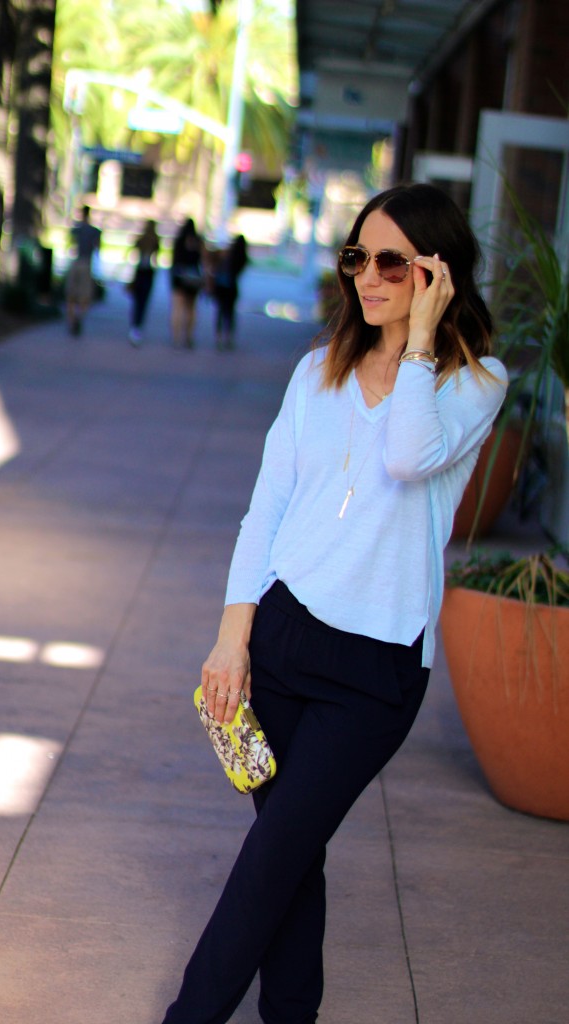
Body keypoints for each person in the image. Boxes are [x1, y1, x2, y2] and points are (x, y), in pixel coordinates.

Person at [160, 183, 508, 1024]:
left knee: (271, 855)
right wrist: (230, 638)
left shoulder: (476, 382)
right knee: (291, 857)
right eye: (358, 257)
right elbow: (266, 508)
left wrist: (419, 345)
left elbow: (405, 457)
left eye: (393, 260)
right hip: (279, 641)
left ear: (436, 272)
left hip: (377, 667)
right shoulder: (317, 369)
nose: (369, 275)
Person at [65, 205, 101, 337]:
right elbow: (98, 249)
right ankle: (78, 317)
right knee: (84, 295)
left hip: (77, 262)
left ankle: (72, 318)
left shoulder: (77, 230)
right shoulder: (93, 231)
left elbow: (69, 245)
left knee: (72, 294)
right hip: (85, 263)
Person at [170, 217, 204, 349]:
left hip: (180, 278)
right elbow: (202, 261)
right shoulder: (198, 241)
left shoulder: (179, 241)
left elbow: (174, 261)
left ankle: (176, 338)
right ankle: (188, 336)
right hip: (193, 278)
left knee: (177, 309)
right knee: (191, 310)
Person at [212, 233, 249, 350]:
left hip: (221, 287)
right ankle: (228, 338)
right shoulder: (242, 257)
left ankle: (218, 337)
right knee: (230, 314)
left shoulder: (227, 254)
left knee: (220, 312)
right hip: (232, 287)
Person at [128, 219, 160, 346]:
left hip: (140, 272)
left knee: (137, 301)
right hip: (147, 273)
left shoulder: (142, 239)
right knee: (143, 301)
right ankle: (138, 326)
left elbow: (132, 255)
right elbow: (155, 260)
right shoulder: (155, 240)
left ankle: (135, 325)